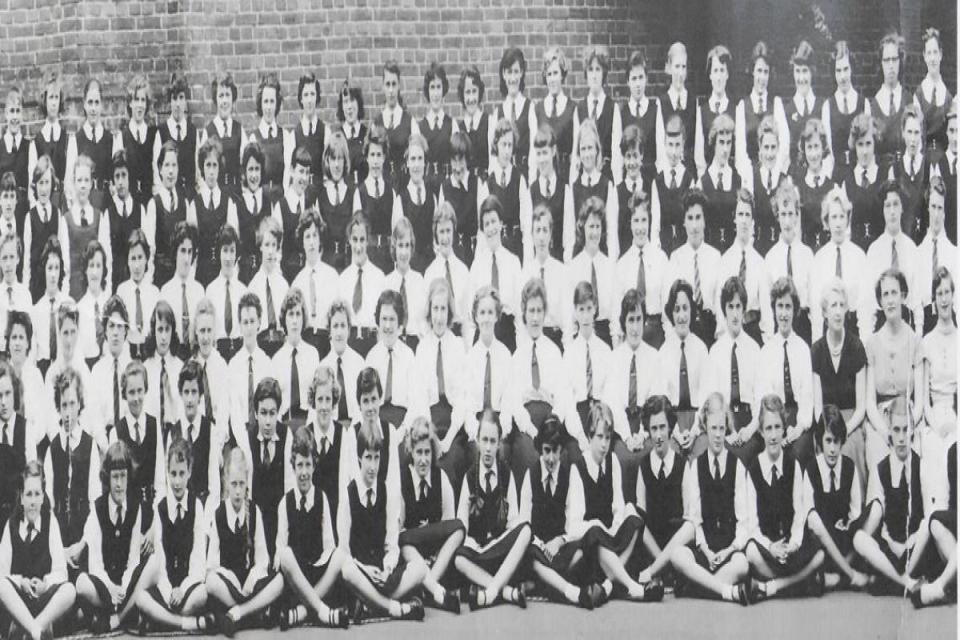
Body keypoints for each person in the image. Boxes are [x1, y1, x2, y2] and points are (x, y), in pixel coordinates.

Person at [337, 420, 427, 623]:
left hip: (382, 575)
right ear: (359, 458)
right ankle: (395, 608)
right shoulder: (348, 494)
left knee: (420, 568)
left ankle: (371, 606)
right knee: (346, 571)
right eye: (368, 458)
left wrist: (387, 569)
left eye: (377, 458)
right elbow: (343, 551)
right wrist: (364, 569)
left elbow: (391, 545)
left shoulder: (388, 493)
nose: (372, 466)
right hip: (360, 574)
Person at [571, 402, 661, 602]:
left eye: (608, 438)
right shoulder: (578, 468)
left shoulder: (613, 462)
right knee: (595, 534)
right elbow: (573, 527)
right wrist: (599, 529)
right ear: (589, 437)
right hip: (592, 547)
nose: (604, 444)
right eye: (599, 437)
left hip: (611, 540)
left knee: (633, 515)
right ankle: (632, 587)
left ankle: (608, 585)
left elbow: (619, 509)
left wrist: (614, 530)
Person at [667, 392, 751, 604]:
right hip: (705, 551)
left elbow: (744, 519)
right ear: (705, 427)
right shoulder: (696, 466)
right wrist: (705, 550)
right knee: (677, 555)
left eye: (722, 428)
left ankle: (696, 587)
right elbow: (695, 519)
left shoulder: (737, 466)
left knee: (743, 564)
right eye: (713, 428)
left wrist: (730, 550)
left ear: (727, 428)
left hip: (728, 550)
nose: (717, 435)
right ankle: (724, 590)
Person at [744, 394, 825, 601]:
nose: (773, 435)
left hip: (789, 547)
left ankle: (774, 587)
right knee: (751, 552)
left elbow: (800, 515)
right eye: (768, 428)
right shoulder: (753, 470)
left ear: (784, 429)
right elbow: (751, 523)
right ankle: (797, 583)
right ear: (761, 432)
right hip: (768, 548)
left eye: (777, 427)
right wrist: (771, 547)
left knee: (819, 555)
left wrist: (794, 544)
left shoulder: (793, 465)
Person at [518, 415, 603, 609]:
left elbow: (575, 522)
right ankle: (572, 592)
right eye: (546, 451)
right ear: (540, 449)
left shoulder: (569, 475)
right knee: (529, 557)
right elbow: (523, 522)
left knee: (582, 551)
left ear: (561, 450)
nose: (550, 458)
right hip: (537, 549)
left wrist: (559, 541)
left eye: (555, 451)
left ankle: (541, 585)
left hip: (562, 549)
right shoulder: (531, 475)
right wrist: (541, 545)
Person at [454, 409, 532, 610]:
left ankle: (488, 591)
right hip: (478, 552)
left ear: (499, 444)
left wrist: (505, 539)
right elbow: (461, 525)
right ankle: (504, 591)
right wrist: (472, 545)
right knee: (459, 560)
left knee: (525, 530)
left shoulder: (506, 474)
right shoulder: (470, 477)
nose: (488, 448)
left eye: (492, 441)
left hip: (500, 550)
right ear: (477, 441)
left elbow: (514, 519)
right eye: (484, 440)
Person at [273, 426, 350, 629]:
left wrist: (326, 563)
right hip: (296, 577)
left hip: (317, 573)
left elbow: (329, 546)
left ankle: (300, 613)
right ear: (293, 466)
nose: (304, 472)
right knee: (285, 555)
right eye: (300, 465)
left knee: (340, 555)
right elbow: (280, 547)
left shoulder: (321, 497)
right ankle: (323, 612)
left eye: (308, 465)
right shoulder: (285, 502)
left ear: (314, 465)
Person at [852, 397, 931, 595]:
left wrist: (909, 543)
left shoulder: (921, 466)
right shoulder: (881, 469)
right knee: (860, 538)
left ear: (913, 429)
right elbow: (880, 520)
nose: (902, 437)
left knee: (928, 526)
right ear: (889, 429)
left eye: (906, 429)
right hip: (891, 548)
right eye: (896, 430)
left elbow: (927, 518)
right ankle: (906, 582)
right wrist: (891, 543)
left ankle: (894, 579)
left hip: (914, 549)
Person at [204, 446, 284, 636]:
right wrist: (228, 575)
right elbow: (211, 565)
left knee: (280, 581)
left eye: (242, 484)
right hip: (228, 587)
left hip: (250, 586)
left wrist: (253, 576)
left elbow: (263, 560)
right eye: (234, 484)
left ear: (247, 482)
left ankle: (238, 614)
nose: (238, 491)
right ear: (225, 483)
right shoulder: (219, 514)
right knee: (211, 583)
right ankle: (253, 613)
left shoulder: (254, 511)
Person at [135, 438, 212, 633]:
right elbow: (159, 560)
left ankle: (161, 620)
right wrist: (170, 592)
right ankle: (185, 623)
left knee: (202, 593)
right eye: (172, 474)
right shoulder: (160, 508)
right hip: (166, 587)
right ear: (167, 473)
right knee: (141, 598)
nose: (177, 481)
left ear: (190, 472)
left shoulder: (197, 507)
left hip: (187, 588)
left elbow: (198, 560)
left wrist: (183, 589)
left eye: (181, 474)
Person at [75, 441, 149, 633]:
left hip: (125, 585)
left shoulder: (135, 507)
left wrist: (122, 588)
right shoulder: (97, 509)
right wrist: (110, 589)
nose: (118, 484)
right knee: (82, 583)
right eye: (114, 477)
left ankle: (112, 616)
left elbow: (134, 559)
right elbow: (95, 565)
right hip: (103, 585)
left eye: (123, 476)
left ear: (128, 476)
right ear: (107, 478)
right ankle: (127, 614)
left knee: (148, 571)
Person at [0, 461, 77, 640]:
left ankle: (31, 628)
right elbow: (2, 571)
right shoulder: (11, 525)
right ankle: (37, 630)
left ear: (43, 496)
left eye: (37, 494)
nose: (33, 501)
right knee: (1, 585)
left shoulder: (51, 522)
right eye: (28, 495)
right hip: (19, 602)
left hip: (44, 601)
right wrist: (20, 582)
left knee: (69, 590)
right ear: (21, 498)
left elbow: (61, 571)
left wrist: (46, 584)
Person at [397, 417, 464, 613]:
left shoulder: (440, 477)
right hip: (411, 552)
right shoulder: (403, 480)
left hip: (436, 556)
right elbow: (398, 529)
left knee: (459, 528)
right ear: (411, 452)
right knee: (403, 540)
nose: (424, 459)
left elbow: (449, 523)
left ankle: (428, 585)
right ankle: (436, 590)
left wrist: (435, 555)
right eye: (419, 452)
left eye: (427, 452)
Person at [802, 405, 871, 591]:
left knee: (864, 528)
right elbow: (809, 519)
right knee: (814, 525)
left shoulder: (849, 467)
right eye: (828, 441)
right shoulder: (810, 470)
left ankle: (835, 577)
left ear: (843, 442)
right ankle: (849, 575)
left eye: (837, 441)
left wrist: (849, 523)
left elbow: (856, 511)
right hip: (820, 542)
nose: (832, 449)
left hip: (842, 539)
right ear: (820, 442)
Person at [812, 278, 869, 490]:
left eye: (841, 305)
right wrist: (827, 430)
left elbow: (862, 405)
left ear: (847, 310)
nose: (837, 311)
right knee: (825, 448)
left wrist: (844, 430)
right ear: (825, 313)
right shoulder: (816, 351)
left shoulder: (856, 346)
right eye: (832, 306)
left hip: (851, 422)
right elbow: (818, 405)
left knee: (850, 448)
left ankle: (856, 514)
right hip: (827, 423)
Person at [865, 269, 924, 470]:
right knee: (877, 453)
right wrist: (885, 432)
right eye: (885, 294)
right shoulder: (872, 343)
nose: (890, 300)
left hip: (908, 419)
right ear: (880, 302)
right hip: (881, 421)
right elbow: (870, 403)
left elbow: (920, 402)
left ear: (903, 296)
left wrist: (907, 430)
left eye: (894, 293)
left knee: (916, 455)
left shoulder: (914, 340)